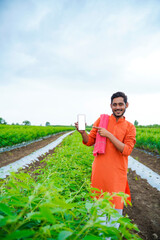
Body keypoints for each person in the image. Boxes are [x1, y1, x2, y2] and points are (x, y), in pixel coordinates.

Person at [75, 91, 136, 227]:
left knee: (115, 207)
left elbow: (127, 150)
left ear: (126, 105)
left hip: (117, 174)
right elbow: (89, 141)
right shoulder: (102, 120)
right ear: (111, 106)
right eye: (115, 105)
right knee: (99, 206)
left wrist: (109, 135)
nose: (118, 107)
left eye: (121, 104)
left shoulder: (130, 127)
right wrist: (83, 132)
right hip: (100, 172)